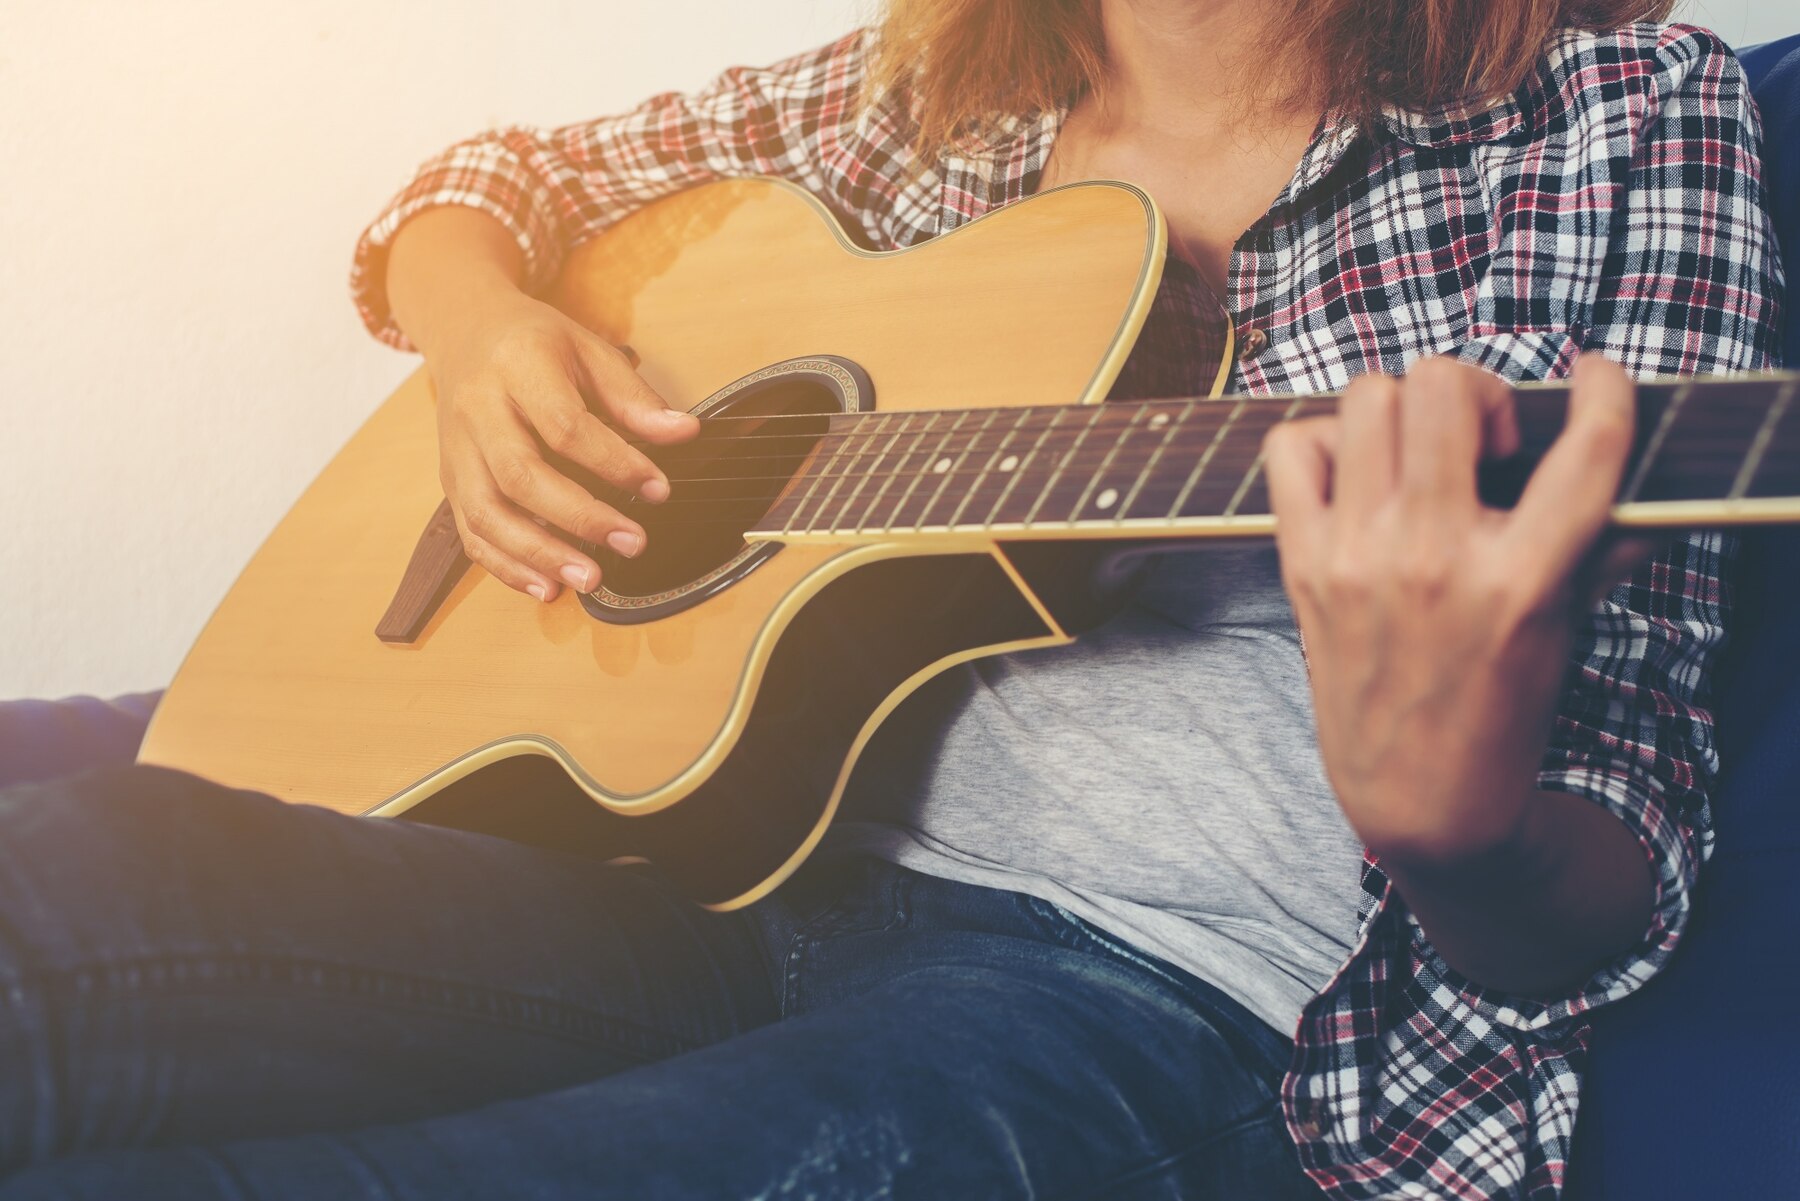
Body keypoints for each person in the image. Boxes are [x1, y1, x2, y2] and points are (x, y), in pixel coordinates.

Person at [0, 1, 1779, 1197]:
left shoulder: (1621, 115)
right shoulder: (922, 104)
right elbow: (486, 187)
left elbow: (1617, 848)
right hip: (719, 875)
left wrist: (1452, 830)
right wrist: (483, 336)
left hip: (1150, 989)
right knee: (62, 889)